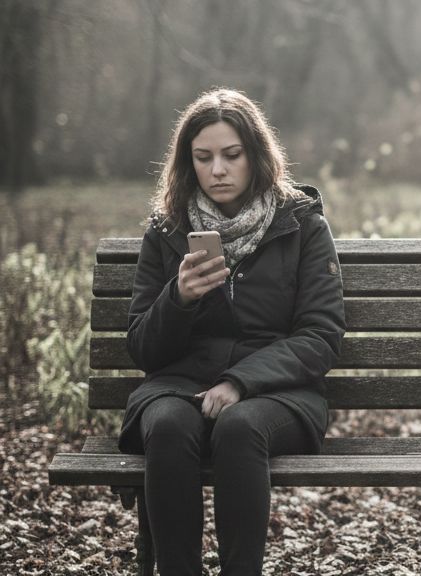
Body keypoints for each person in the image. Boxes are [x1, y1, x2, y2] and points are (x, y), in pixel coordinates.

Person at [118, 88, 346, 576]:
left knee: (240, 427)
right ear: (188, 163)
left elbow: (320, 335)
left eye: (231, 155)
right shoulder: (167, 230)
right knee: (169, 426)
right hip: (177, 385)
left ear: (256, 156)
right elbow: (142, 347)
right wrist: (176, 300)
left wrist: (239, 382)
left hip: (278, 394)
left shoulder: (300, 224)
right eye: (203, 158)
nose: (217, 169)